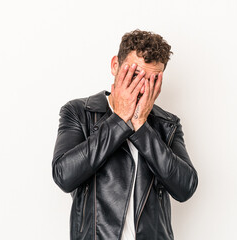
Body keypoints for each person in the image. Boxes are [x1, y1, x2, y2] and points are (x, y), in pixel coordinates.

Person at [52, 29, 198, 240]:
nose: (141, 88)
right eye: (135, 75)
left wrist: (141, 126)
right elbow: (64, 176)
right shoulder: (78, 112)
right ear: (115, 65)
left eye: (151, 80)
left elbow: (185, 188)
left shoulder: (168, 124)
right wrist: (119, 120)